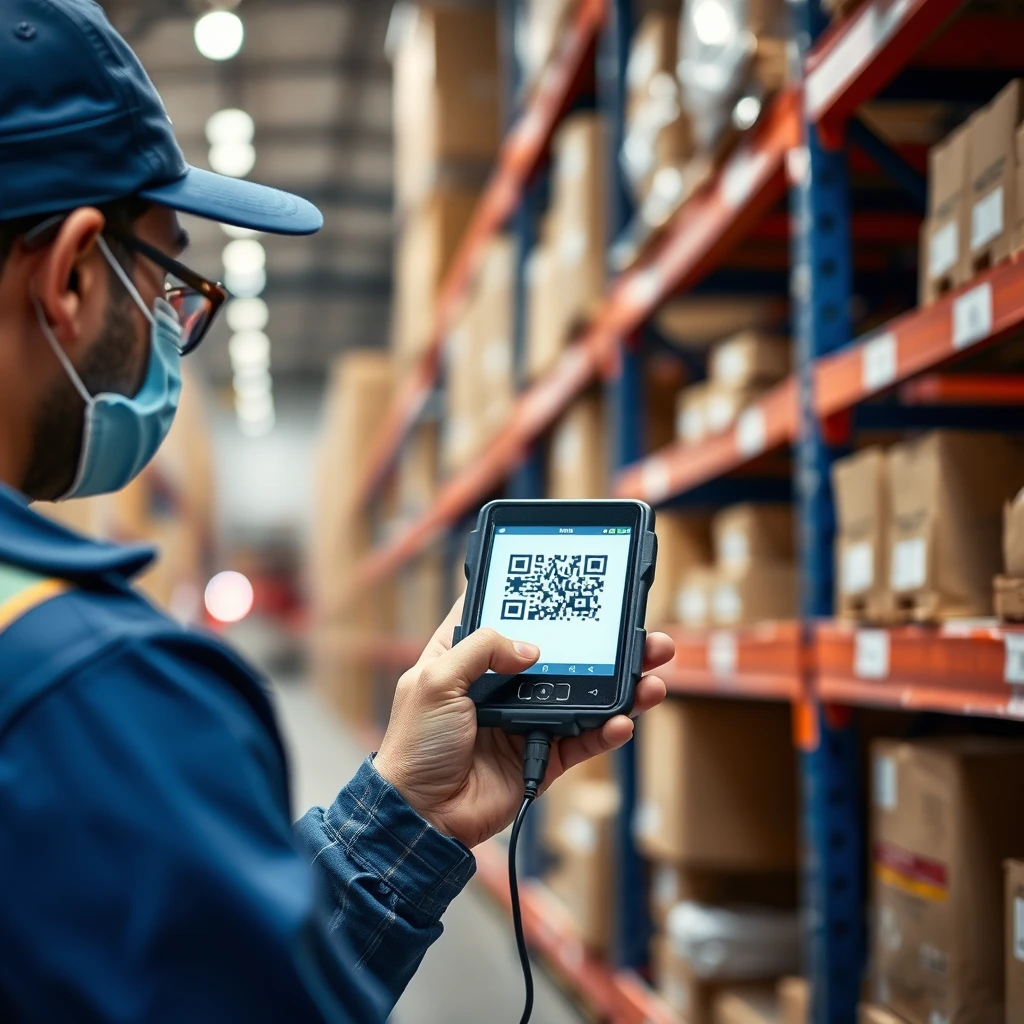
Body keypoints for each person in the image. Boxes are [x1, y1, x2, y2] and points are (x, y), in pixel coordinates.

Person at [0, 2, 674, 1021]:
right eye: (169, 286)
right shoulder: (93, 694)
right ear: (73, 276)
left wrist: (406, 812)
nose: (172, 333)